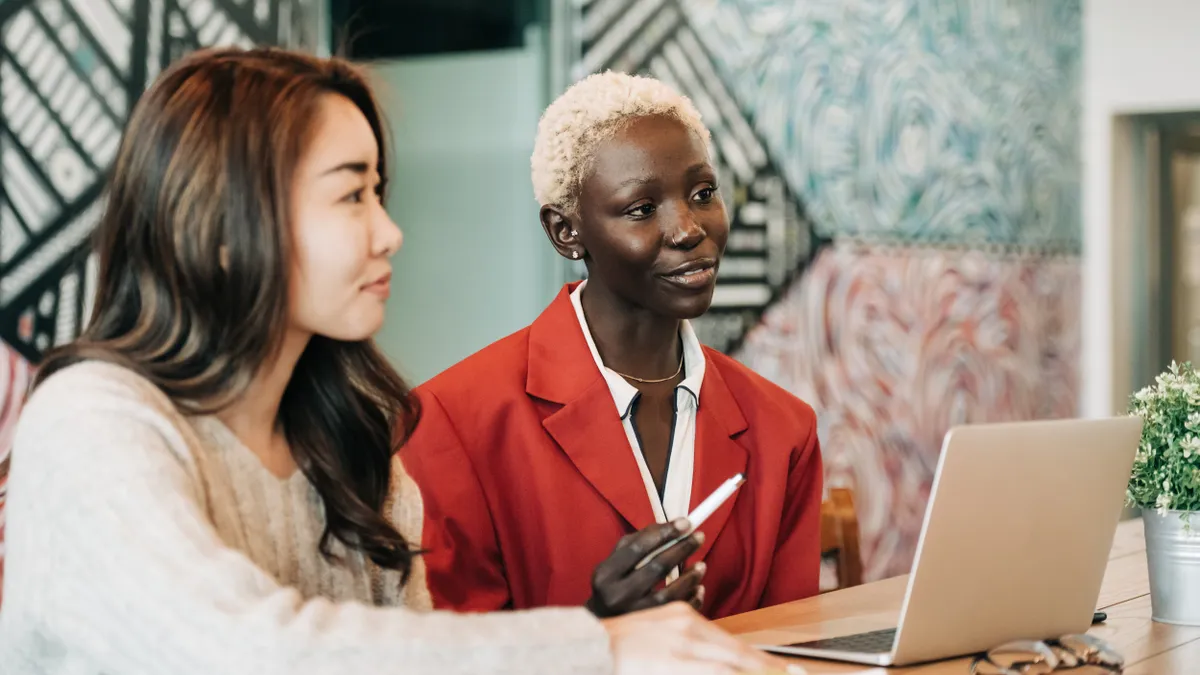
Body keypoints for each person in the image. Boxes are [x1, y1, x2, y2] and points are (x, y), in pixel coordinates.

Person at [0, 47, 802, 675]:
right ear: (220, 224)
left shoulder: (345, 441)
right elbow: (248, 654)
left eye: (381, 193)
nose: (390, 233)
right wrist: (601, 646)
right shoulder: (91, 420)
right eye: (352, 196)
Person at [399, 71, 824, 621]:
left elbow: (795, 650)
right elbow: (449, 657)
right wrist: (593, 632)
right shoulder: (450, 422)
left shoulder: (782, 430)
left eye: (702, 194)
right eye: (642, 209)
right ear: (565, 232)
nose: (688, 229)